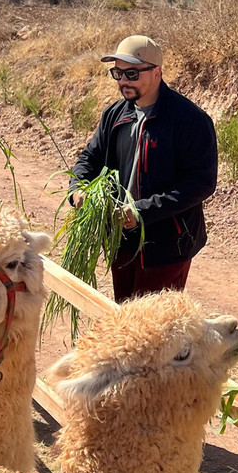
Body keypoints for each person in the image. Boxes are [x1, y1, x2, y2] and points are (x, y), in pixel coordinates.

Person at [69, 35, 217, 303]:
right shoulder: (114, 114)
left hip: (168, 246)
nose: (123, 81)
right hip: (121, 241)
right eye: (118, 73)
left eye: (132, 73)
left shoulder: (190, 120)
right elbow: (89, 158)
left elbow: (201, 183)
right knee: (125, 319)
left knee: (156, 332)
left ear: (157, 72)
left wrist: (141, 210)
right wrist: (78, 189)